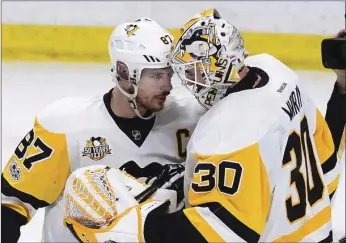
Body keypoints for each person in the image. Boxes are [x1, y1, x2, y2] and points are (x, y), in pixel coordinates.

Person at [62, 9, 345, 243]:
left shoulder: (226, 131)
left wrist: (139, 227)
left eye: (193, 73)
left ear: (214, 70)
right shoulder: (276, 70)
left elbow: (224, 232)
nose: (183, 83)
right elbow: (326, 167)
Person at [1, 17, 204, 243]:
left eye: (169, 74)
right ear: (124, 72)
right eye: (156, 75)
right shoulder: (66, 126)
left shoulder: (190, 121)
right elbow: (10, 205)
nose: (167, 86)